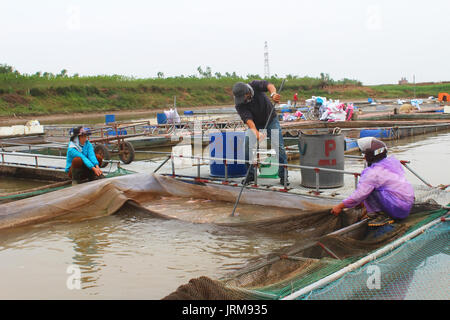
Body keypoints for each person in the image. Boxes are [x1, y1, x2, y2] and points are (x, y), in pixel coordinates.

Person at [331, 137, 415, 227]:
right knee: (371, 188)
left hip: (397, 208)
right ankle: (380, 212)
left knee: (368, 190)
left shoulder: (372, 174)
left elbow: (359, 195)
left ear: (369, 156)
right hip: (406, 204)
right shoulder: (390, 163)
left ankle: (383, 215)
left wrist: (340, 206)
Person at [232, 80, 289, 186]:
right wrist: (256, 133)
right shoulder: (239, 104)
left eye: (243, 97)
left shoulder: (254, 85)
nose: (242, 100)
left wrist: (273, 94)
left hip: (270, 119)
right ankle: (251, 174)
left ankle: (284, 176)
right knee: (247, 145)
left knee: (279, 146)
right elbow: (248, 119)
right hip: (255, 123)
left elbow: (269, 85)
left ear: (247, 92)